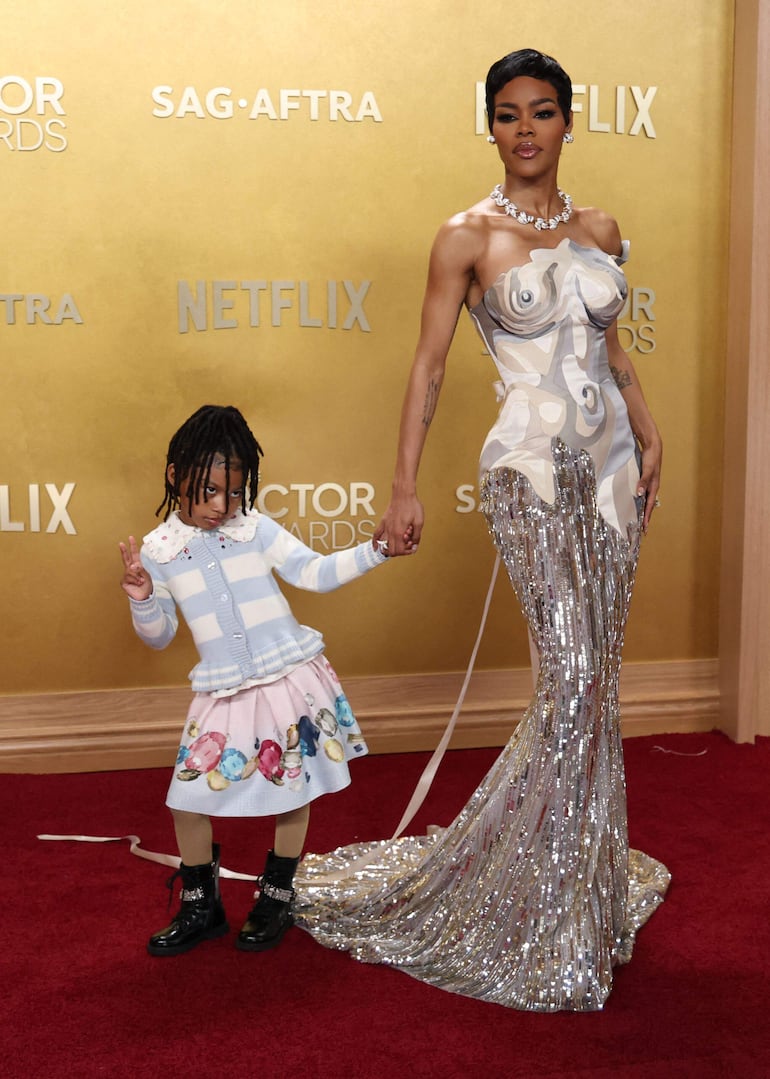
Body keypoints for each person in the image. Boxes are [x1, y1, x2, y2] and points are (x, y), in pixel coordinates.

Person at [294, 49, 670, 1012]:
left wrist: (650, 421)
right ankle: (521, 893)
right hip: (529, 472)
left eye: (543, 112)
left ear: (568, 122)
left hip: (616, 472)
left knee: (600, 683)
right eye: (508, 114)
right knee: (574, 675)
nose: (526, 129)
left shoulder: (602, 228)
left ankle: (578, 889)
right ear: (491, 126)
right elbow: (428, 369)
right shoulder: (466, 237)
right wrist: (402, 488)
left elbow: (611, 347)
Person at [119, 404, 389, 957]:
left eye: (233, 493)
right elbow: (159, 636)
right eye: (209, 490)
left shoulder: (256, 530)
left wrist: (377, 550)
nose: (222, 506)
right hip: (223, 687)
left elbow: (313, 572)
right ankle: (203, 905)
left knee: (295, 785)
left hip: (287, 676)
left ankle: (276, 895)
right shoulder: (157, 552)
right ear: (175, 475)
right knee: (186, 798)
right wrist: (143, 597)